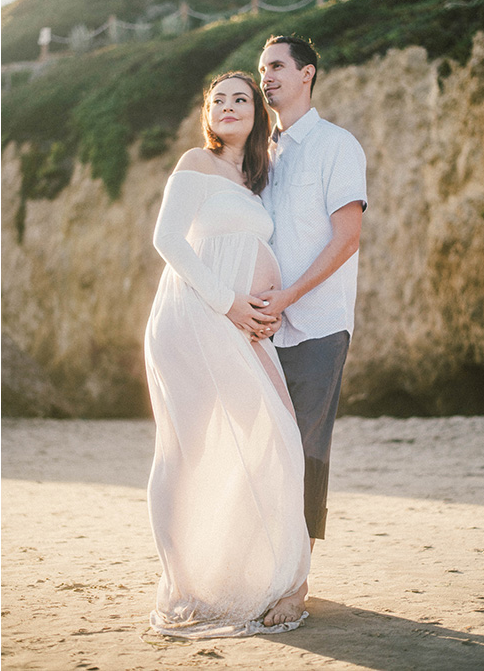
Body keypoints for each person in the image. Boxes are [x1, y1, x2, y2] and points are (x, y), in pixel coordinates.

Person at [144, 71, 311, 638]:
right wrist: (230, 303)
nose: (229, 106)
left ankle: (261, 572)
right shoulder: (196, 162)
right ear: (207, 113)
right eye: (218, 99)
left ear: (257, 112)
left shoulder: (253, 180)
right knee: (183, 451)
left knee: (277, 436)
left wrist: (263, 308)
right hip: (193, 318)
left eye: (242, 98)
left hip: (239, 326)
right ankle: (182, 584)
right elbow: (168, 241)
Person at [256, 35, 367, 564]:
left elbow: (347, 238)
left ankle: (296, 577)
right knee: (261, 449)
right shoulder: (256, 155)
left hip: (317, 323)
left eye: (277, 66)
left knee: (305, 450)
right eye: (261, 69)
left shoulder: (336, 146)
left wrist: (289, 297)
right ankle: (262, 567)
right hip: (257, 329)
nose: (266, 77)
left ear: (307, 74)